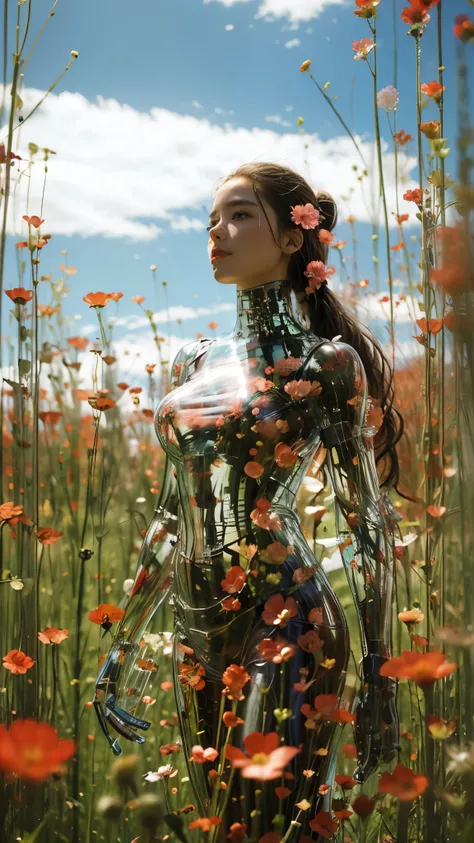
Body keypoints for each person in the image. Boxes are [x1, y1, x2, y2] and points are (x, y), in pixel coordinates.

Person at [94, 162, 403, 840]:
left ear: (295, 238)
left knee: (273, 824)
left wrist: (381, 672)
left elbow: (367, 521)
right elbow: (172, 516)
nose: (217, 232)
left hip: (288, 616)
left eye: (239, 216)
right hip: (194, 624)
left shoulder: (327, 363)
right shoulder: (195, 361)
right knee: (223, 825)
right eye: (211, 220)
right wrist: (120, 643)